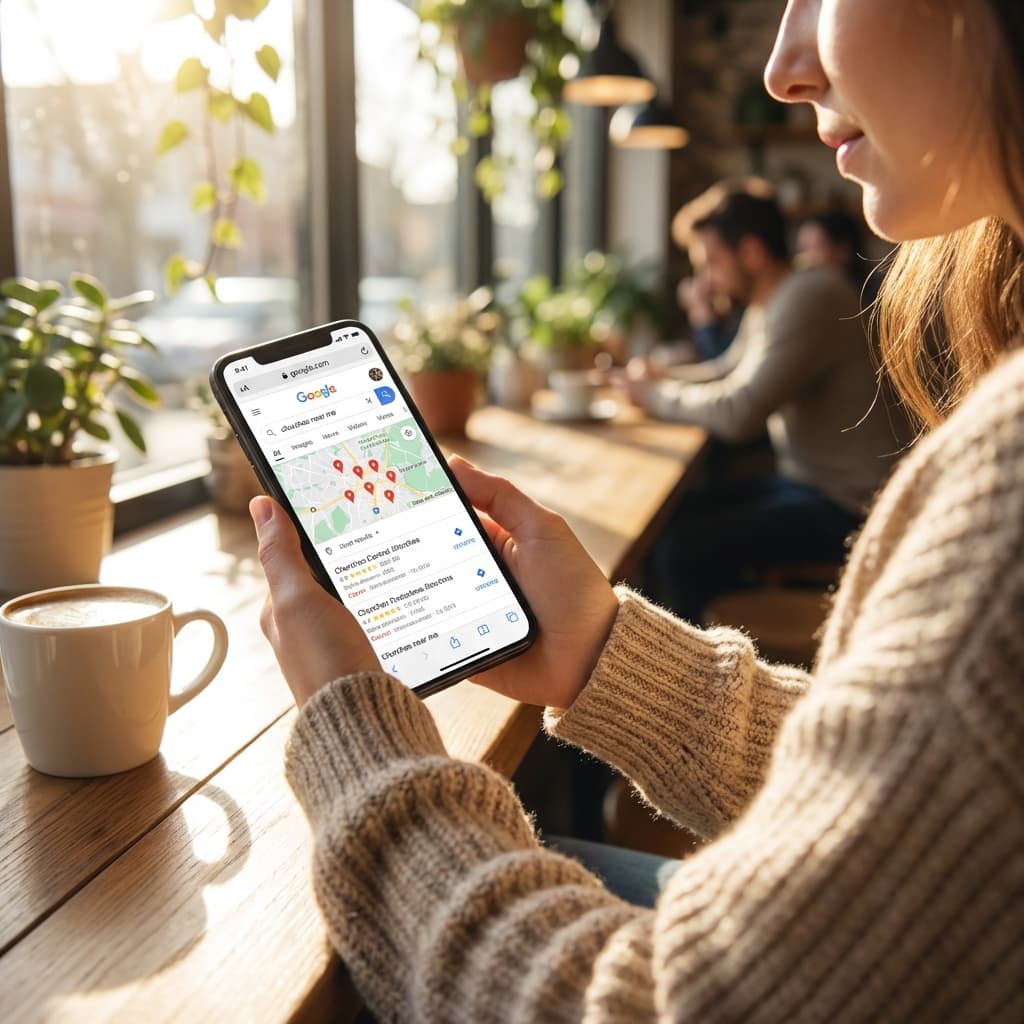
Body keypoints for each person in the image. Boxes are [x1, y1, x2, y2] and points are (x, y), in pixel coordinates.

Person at [252, 0, 1024, 1019]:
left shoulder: (999, 489)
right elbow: (922, 815)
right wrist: (605, 651)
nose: (782, 66)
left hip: (820, 499)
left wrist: (357, 733)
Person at [625, 180, 905, 622]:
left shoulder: (809, 295)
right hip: (808, 482)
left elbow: (740, 413)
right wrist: (658, 378)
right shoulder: (774, 298)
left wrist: (655, 394)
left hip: (848, 505)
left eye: (712, 262)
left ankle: (706, 669)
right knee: (673, 518)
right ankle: (724, 625)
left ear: (751, 252)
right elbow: (725, 371)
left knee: (682, 547)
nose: (707, 279)